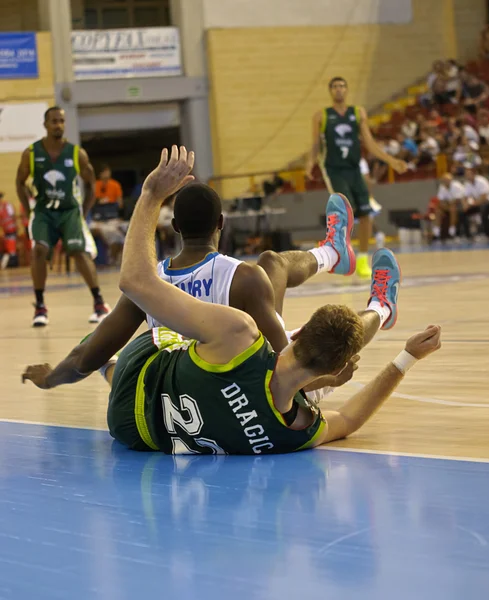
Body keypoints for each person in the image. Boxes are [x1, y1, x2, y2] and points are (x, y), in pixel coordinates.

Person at [23, 146, 442, 455]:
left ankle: (340, 258)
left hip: (146, 408)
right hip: (216, 375)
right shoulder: (239, 293)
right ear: (221, 224)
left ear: (174, 228)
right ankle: (368, 294)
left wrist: (52, 379)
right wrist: (330, 377)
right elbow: (287, 355)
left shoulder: (156, 283)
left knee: (122, 358)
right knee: (285, 281)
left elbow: (87, 356)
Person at [16, 106, 110, 326]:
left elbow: (90, 183)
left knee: (78, 250)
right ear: (45, 125)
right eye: (54, 121)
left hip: (69, 211)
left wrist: (84, 212)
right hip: (43, 210)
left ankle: (99, 302)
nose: (58, 125)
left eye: (61, 121)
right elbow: (19, 182)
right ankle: (40, 307)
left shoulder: (77, 153)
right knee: (39, 249)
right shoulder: (31, 153)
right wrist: (28, 209)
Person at [306, 77, 407, 279]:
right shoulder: (322, 116)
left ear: (347, 90)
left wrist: (391, 160)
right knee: (346, 211)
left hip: (354, 168)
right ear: (330, 91)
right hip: (334, 169)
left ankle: (361, 259)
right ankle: (341, 257)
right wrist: (310, 162)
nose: (339, 90)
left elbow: (369, 143)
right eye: (335, 87)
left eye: (342, 86)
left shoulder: (357, 113)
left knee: (366, 213)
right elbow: (316, 144)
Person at [434, 173, 465, 240]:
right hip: (448, 206)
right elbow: (440, 201)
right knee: (438, 211)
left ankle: (452, 232)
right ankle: (436, 233)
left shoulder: (457, 186)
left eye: (447, 180)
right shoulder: (442, 187)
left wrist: (447, 204)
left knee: (452, 209)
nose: (446, 181)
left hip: (460, 206)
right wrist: (445, 205)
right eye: (444, 180)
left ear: (451, 180)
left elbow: (457, 200)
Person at [463, 166, 489, 239]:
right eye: (466, 174)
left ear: (474, 174)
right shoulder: (467, 184)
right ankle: (468, 236)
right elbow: (465, 197)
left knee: (483, 211)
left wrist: (472, 204)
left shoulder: (481, 181)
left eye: (469, 174)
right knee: (464, 213)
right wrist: (465, 205)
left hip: (487, 202)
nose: (467, 176)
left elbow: (484, 198)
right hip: (478, 204)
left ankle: (487, 234)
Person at [0, 192, 19, 269]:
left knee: (11, 246)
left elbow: (13, 216)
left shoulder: (7, 205)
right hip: (7, 229)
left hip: (10, 229)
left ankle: (13, 262)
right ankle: (11, 261)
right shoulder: (5, 205)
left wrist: (16, 226)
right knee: (9, 246)